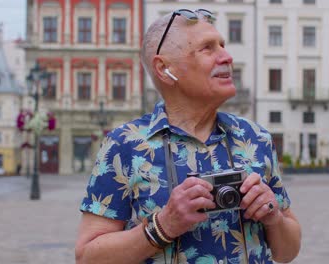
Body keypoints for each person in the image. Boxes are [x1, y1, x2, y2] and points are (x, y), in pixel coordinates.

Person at [75, 9, 301, 263]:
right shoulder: (125, 145)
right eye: (207, 48)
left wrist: (273, 218)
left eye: (223, 45)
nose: (227, 57)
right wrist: (164, 226)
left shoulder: (255, 138)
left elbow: (288, 251)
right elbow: (87, 257)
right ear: (164, 69)